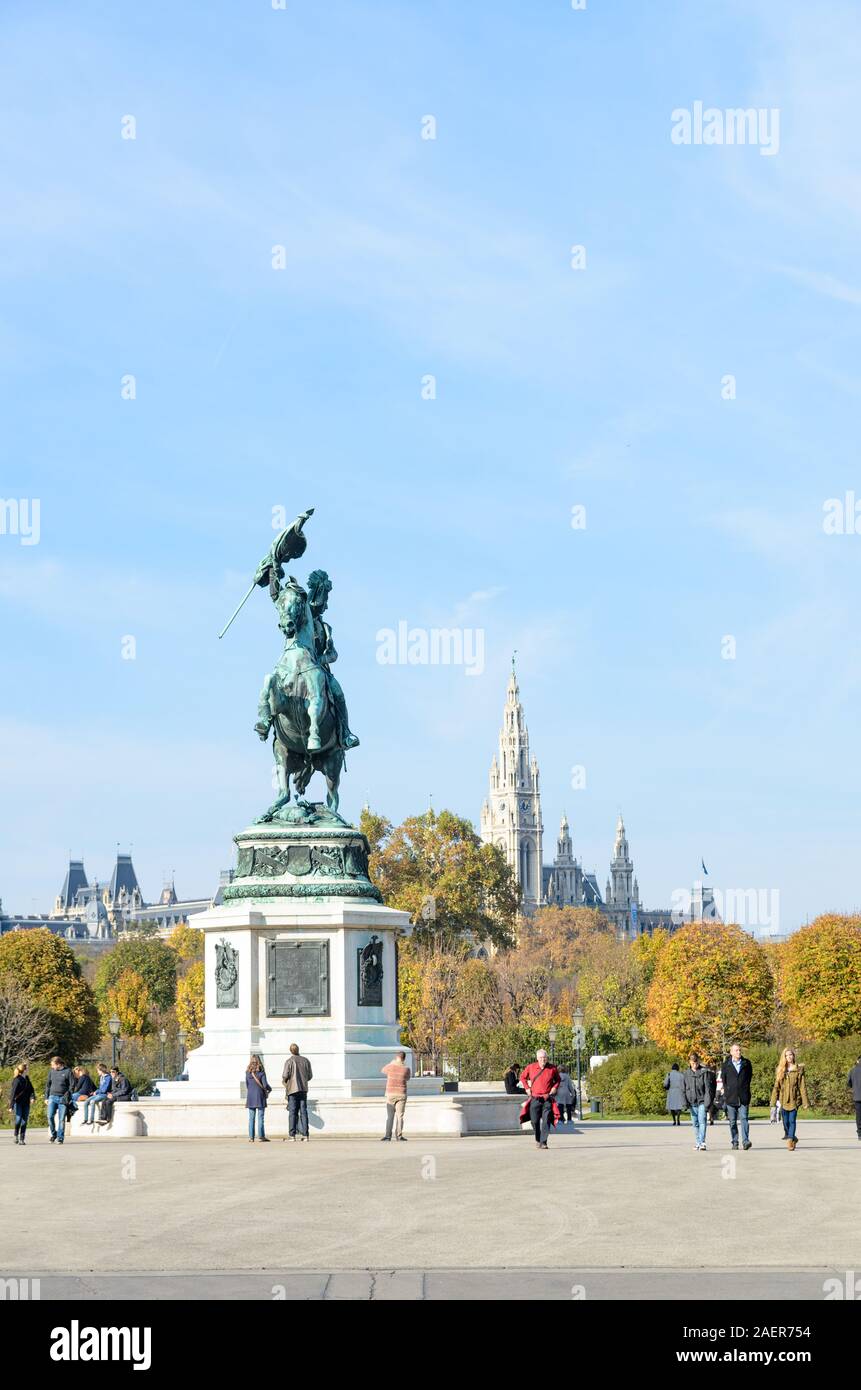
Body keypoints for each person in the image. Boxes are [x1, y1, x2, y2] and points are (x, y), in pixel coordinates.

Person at [520, 1048, 561, 1150]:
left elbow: (558, 1079)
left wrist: (554, 1087)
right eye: (541, 1058)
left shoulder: (552, 1068)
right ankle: (538, 1139)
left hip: (547, 1098)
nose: (543, 1060)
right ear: (537, 1058)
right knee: (534, 1121)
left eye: (545, 1058)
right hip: (535, 1098)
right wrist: (527, 1088)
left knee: (546, 1120)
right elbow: (522, 1077)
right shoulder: (531, 1067)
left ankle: (544, 1142)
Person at [770, 1048, 809, 1150]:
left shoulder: (798, 1070)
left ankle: (790, 1141)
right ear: (784, 1057)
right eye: (787, 1055)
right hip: (783, 1101)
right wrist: (773, 1102)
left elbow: (802, 1086)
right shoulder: (780, 1070)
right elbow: (776, 1087)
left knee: (792, 1121)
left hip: (794, 1100)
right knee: (785, 1123)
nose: (789, 1057)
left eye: (791, 1055)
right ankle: (792, 1137)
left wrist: (805, 1101)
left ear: (793, 1056)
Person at [721, 1043, 753, 1151]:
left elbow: (749, 1078)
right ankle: (735, 1141)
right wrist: (727, 1092)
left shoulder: (746, 1063)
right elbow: (724, 1081)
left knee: (744, 1118)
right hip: (731, 1098)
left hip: (743, 1097)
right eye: (736, 1050)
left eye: (739, 1050)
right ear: (731, 1052)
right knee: (733, 1121)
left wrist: (745, 1089)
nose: (738, 1052)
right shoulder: (726, 1065)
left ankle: (745, 1141)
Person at [681, 1053, 714, 1151]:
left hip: (702, 1101)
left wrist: (708, 1103)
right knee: (695, 1123)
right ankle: (698, 1142)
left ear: (698, 1061)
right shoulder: (686, 1074)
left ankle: (702, 1142)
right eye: (692, 1062)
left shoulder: (704, 1072)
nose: (694, 1064)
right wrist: (684, 1103)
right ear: (690, 1062)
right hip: (691, 1101)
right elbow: (683, 1089)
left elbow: (708, 1089)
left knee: (702, 1121)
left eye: (696, 1062)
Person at [282, 1043, 313, 1142]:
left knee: (292, 1112)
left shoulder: (289, 1061)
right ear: (298, 1050)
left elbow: (285, 1075)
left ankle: (292, 1135)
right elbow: (310, 1076)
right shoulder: (305, 1060)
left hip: (292, 1089)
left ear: (290, 1051)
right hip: (303, 1089)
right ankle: (306, 1135)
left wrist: (286, 1081)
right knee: (303, 1112)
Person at [380, 1050, 411, 1142]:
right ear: (404, 1058)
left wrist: (393, 1062)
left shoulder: (390, 1066)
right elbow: (408, 1078)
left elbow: (383, 1070)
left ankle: (387, 1136)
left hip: (391, 1093)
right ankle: (399, 1136)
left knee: (390, 1116)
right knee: (400, 1116)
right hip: (401, 1093)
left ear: (396, 1057)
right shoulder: (406, 1069)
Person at [45, 1055, 74, 1145]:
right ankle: (54, 1134)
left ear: (58, 1064)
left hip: (63, 1099)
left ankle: (60, 1138)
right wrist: (46, 1097)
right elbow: (48, 1085)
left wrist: (67, 1095)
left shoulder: (68, 1071)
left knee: (61, 1119)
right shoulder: (51, 1072)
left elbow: (72, 1085)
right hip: (52, 1097)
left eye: (53, 1065)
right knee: (50, 1117)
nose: (52, 1066)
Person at [245, 1054, 271, 1142]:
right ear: (259, 1062)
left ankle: (251, 1137)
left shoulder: (248, 1072)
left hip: (250, 1097)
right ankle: (261, 1136)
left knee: (251, 1118)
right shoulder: (261, 1072)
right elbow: (265, 1085)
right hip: (260, 1096)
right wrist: (269, 1089)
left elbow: (247, 1085)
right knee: (260, 1117)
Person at [9, 1063, 35, 1145]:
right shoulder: (17, 1080)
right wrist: (11, 1106)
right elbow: (13, 1093)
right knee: (18, 1120)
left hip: (26, 1103)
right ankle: (16, 1134)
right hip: (18, 1103)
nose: (28, 1070)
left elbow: (31, 1090)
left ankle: (22, 1139)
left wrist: (32, 1097)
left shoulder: (27, 1079)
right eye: (27, 1068)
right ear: (24, 1070)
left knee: (24, 1121)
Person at [847, 1054, 861, 1141]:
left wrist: (855, 1086)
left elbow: (849, 1083)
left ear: (857, 1061)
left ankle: (860, 1133)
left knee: (859, 1115)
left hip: (857, 1096)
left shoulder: (852, 1070)